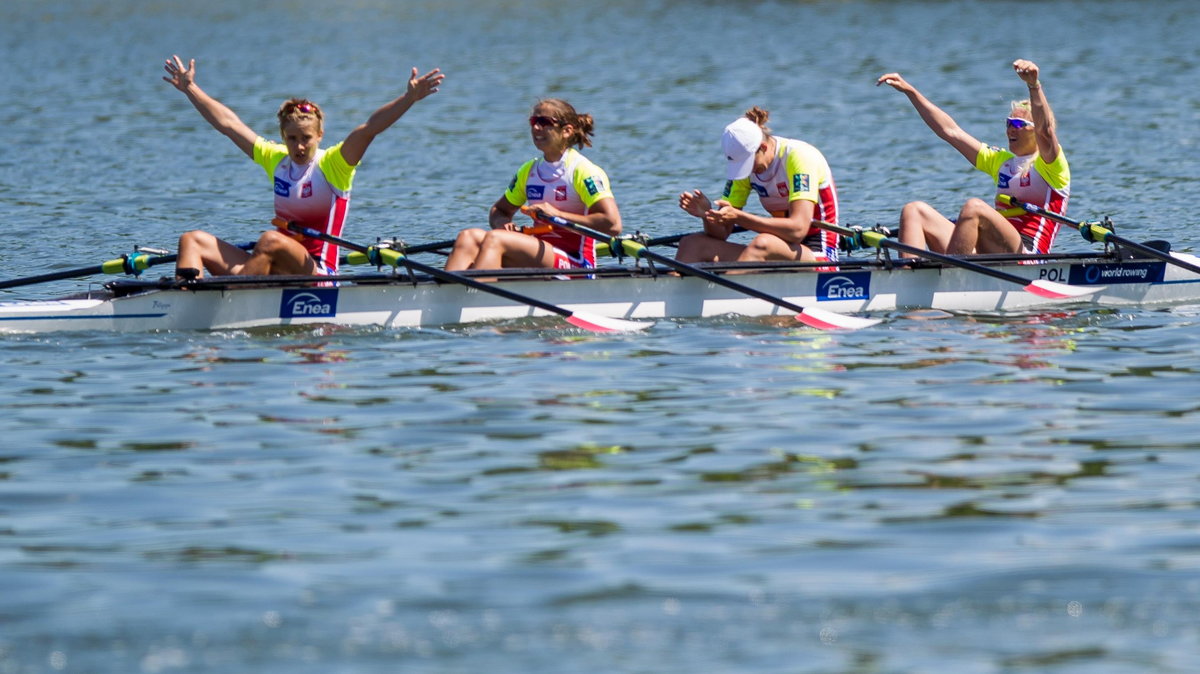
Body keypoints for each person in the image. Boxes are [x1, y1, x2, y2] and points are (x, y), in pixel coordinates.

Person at [161, 55, 444, 279]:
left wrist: (408, 98)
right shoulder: (276, 159)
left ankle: (230, 300)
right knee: (192, 240)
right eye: (292, 138)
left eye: (305, 139)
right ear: (283, 137)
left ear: (319, 136)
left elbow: (369, 129)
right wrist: (191, 89)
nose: (298, 146)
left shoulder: (335, 164)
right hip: (273, 267)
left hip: (318, 273)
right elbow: (229, 124)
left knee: (270, 240)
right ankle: (185, 299)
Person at [876, 59, 1068, 256]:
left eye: (1018, 124)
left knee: (974, 207)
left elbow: (1045, 131)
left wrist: (1033, 86)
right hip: (993, 251)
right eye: (1008, 123)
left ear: (1035, 132)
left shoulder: (1051, 164)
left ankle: (951, 274)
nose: (1011, 128)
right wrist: (910, 92)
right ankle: (909, 276)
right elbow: (950, 131)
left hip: (1028, 253)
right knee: (914, 211)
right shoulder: (1001, 161)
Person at [444, 99, 620, 273]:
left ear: (566, 131)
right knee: (468, 237)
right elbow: (499, 210)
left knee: (495, 239)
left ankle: (478, 297)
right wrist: (504, 223)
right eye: (533, 122)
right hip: (540, 254)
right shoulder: (529, 171)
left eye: (544, 122)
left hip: (576, 262)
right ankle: (446, 296)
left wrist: (558, 215)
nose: (536, 128)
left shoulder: (583, 171)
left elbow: (612, 224)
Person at [675, 106, 840, 264]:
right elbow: (721, 234)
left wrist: (740, 217)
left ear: (762, 147)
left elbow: (798, 230)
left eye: (748, 162)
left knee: (763, 243)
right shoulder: (743, 170)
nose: (748, 170)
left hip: (818, 253)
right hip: (779, 249)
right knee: (692, 244)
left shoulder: (799, 157)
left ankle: (729, 290)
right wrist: (708, 215)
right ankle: (671, 291)